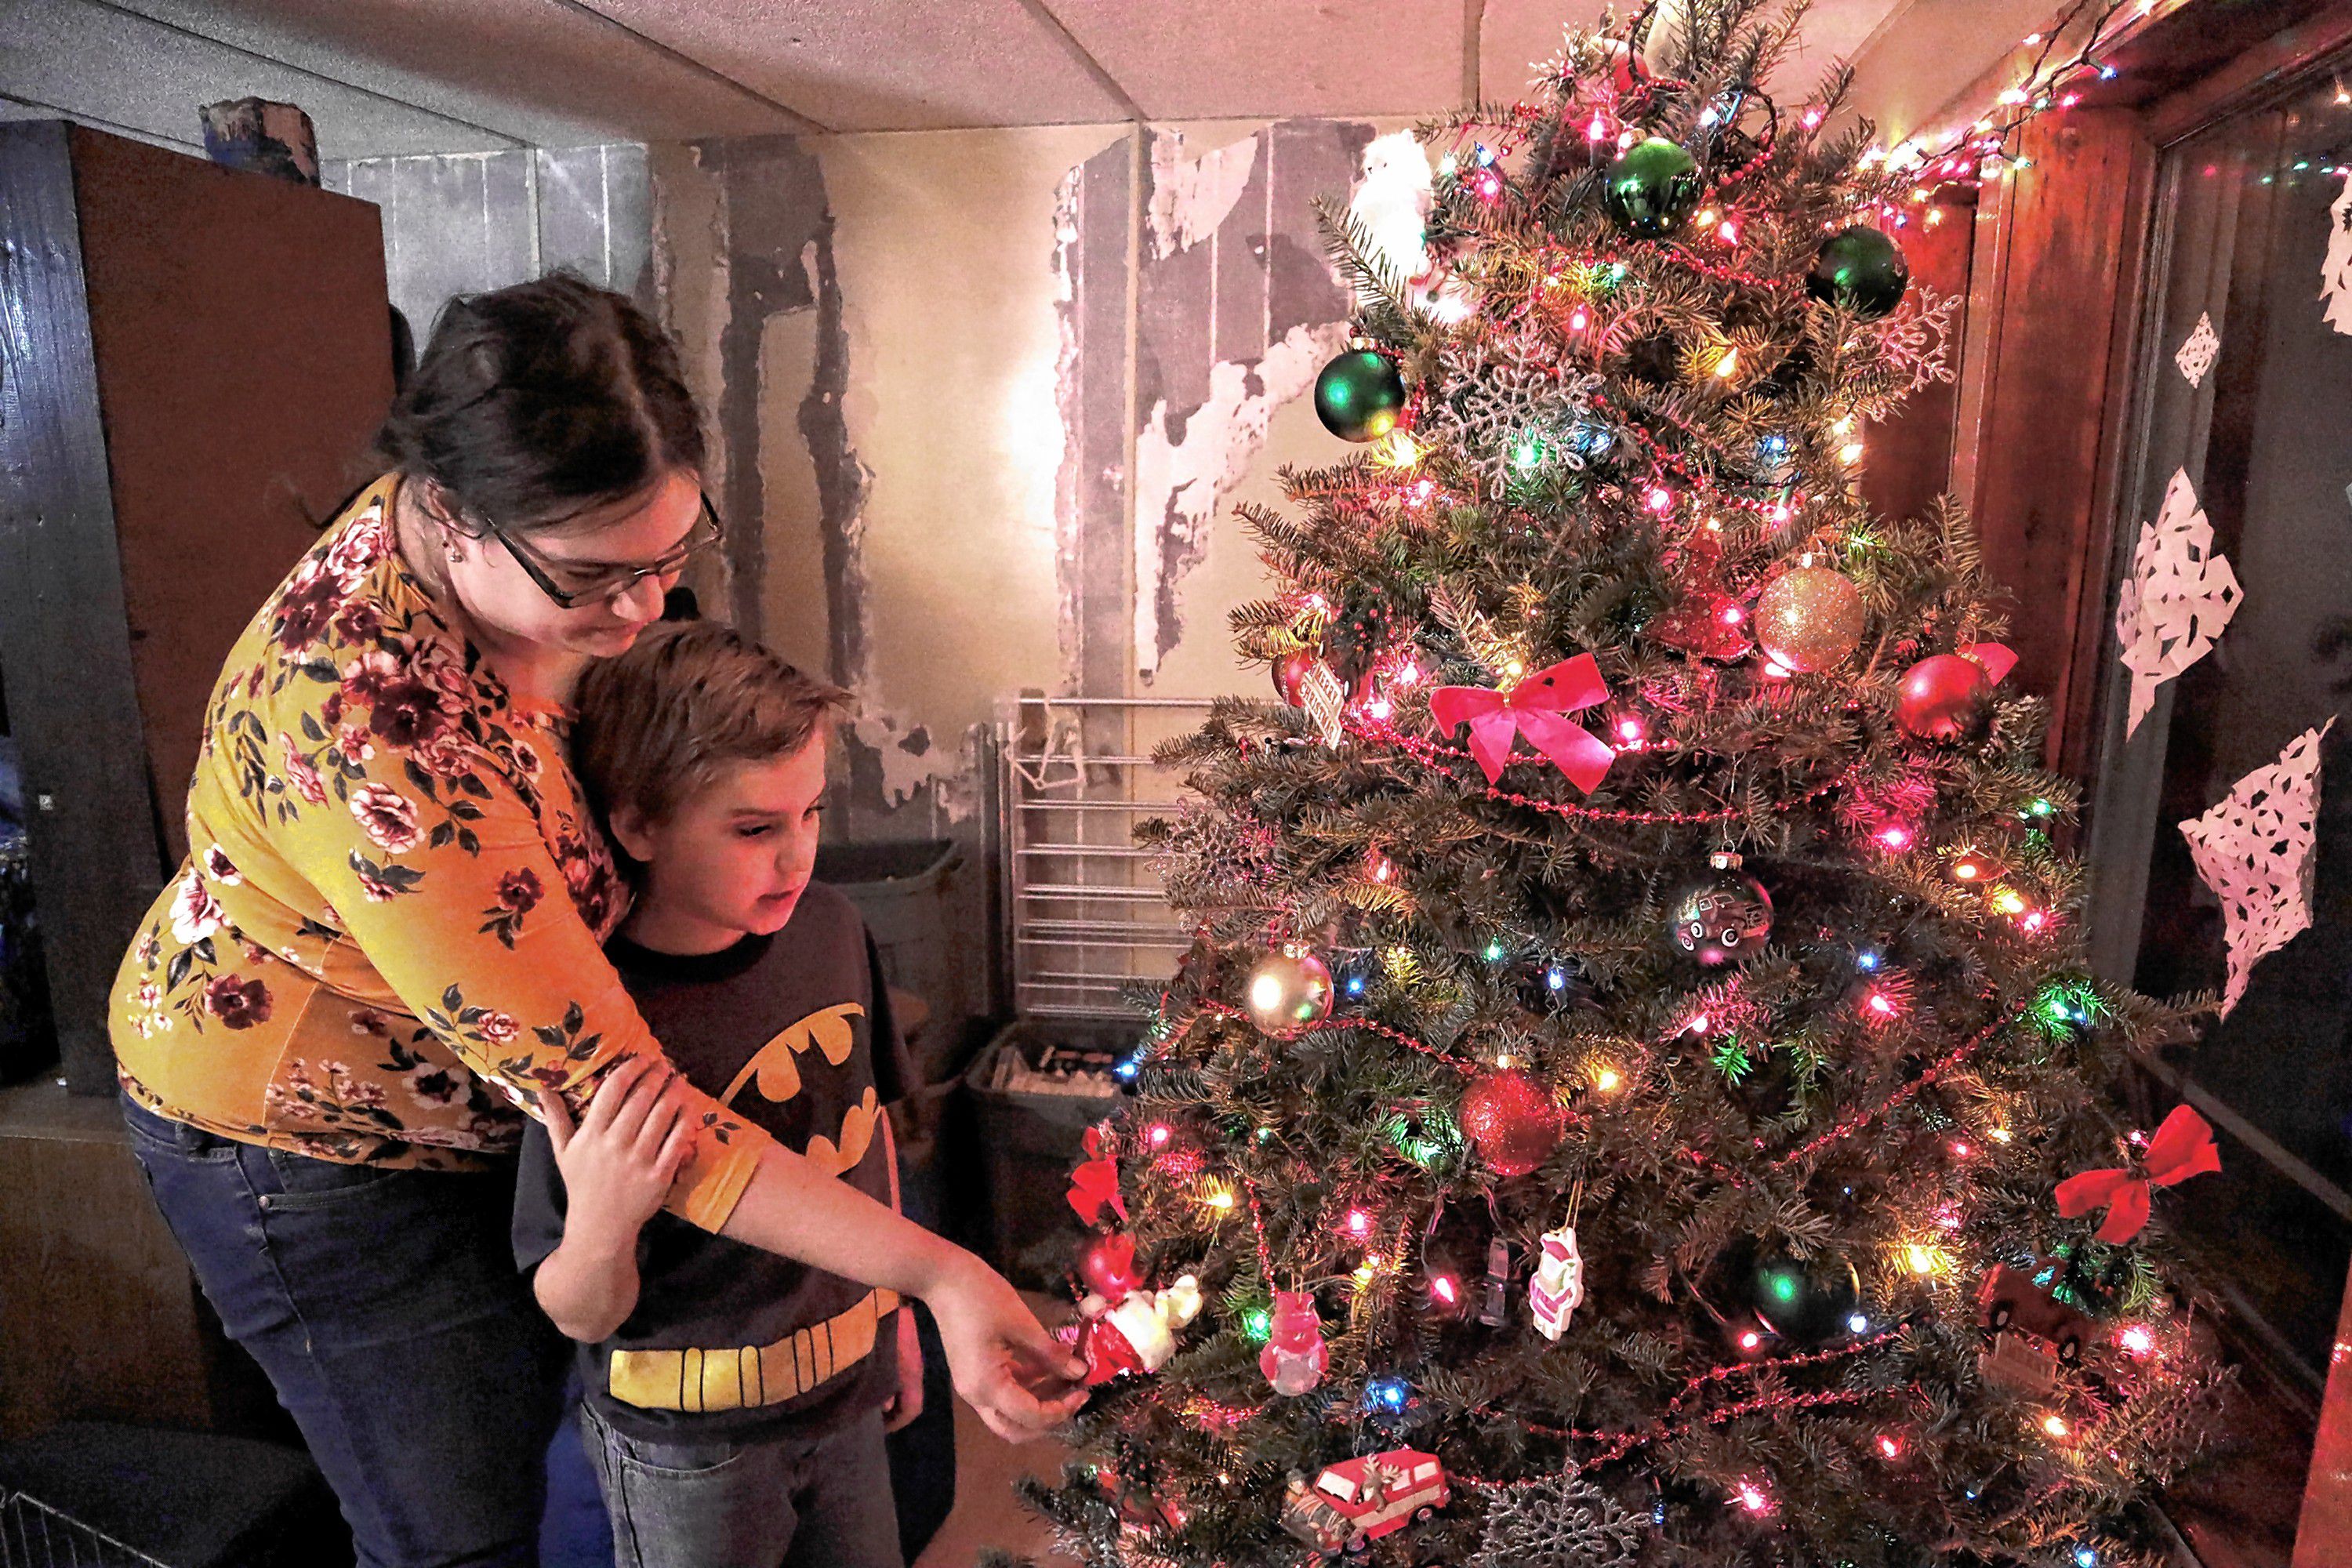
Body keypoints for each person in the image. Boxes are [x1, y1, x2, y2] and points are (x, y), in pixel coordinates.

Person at [108, 275, 1083, 1568]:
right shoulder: (370, 734)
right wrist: (940, 1274)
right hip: (313, 1139)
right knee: (459, 1524)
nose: (639, 614)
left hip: (499, 1096)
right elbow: (646, 1117)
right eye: (593, 579)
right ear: (448, 513)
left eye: (670, 560)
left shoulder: (522, 540)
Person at [517, 620, 964, 1566]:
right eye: (756, 828)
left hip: (846, 1400)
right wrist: (602, 1217)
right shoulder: (595, 1014)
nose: (798, 856)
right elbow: (578, 1309)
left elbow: (869, 1128)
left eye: (810, 812)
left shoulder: (835, 928)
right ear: (638, 822)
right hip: (690, 1449)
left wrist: (896, 1317)